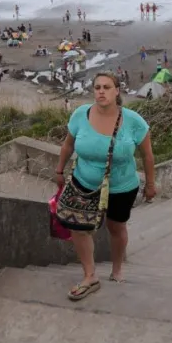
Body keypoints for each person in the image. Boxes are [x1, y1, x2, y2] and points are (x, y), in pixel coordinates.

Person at [54, 72, 157, 300]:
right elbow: (68, 145)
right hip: (84, 182)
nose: (101, 91)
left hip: (121, 187)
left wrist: (150, 184)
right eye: (97, 87)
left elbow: (148, 156)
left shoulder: (133, 121)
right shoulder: (81, 114)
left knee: (116, 228)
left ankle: (117, 268)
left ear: (117, 90)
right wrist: (59, 170)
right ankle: (90, 275)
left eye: (106, 87)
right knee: (78, 228)